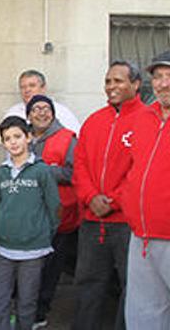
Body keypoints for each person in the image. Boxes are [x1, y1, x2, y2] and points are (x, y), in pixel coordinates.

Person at [71, 60, 143, 330]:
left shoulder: (147, 119)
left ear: (135, 84)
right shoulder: (93, 121)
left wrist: (112, 201)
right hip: (92, 221)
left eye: (118, 81)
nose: (111, 87)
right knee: (87, 286)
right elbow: (79, 165)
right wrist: (91, 197)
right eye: (108, 81)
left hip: (127, 223)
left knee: (131, 288)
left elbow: (142, 170)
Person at [0, 116, 61, 330]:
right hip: (5, 248)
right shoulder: (1, 173)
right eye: (7, 138)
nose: (13, 142)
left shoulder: (42, 171)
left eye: (18, 136)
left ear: (29, 137)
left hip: (33, 250)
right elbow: (3, 203)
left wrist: (42, 234)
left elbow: (54, 207)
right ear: (2, 142)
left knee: (27, 302)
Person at [121, 51, 170, 328]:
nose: (163, 84)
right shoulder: (143, 118)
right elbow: (132, 170)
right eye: (158, 77)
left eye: (169, 76)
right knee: (144, 317)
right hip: (142, 237)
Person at [26, 95, 79, 328]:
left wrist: (45, 171)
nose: (41, 113)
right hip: (29, 214)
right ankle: (27, 306)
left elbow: (73, 173)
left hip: (59, 215)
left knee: (51, 266)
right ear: (28, 115)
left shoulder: (67, 138)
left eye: (46, 108)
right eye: (35, 109)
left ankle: (40, 311)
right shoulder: (22, 136)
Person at [4, 69, 81, 134]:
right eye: (23, 87)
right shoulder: (13, 113)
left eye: (32, 85)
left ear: (43, 88)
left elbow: (75, 138)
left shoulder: (61, 112)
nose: (27, 90)